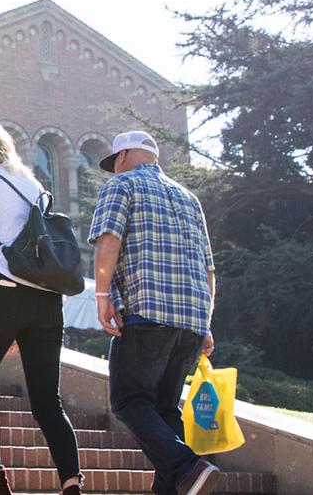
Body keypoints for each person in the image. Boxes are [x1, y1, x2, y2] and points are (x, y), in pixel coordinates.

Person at [0, 120, 82, 495]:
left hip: (1, 291)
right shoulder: (35, 186)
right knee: (47, 403)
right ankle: (72, 484)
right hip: (46, 298)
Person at [90, 131, 221, 495]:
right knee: (163, 413)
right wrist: (206, 324)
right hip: (191, 324)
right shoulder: (189, 200)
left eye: (114, 161)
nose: (114, 169)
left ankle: (188, 466)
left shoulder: (123, 186)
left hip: (147, 315)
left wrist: (102, 295)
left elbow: (109, 239)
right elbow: (209, 270)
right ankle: (182, 478)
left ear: (124, 155)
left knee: (129, 401)